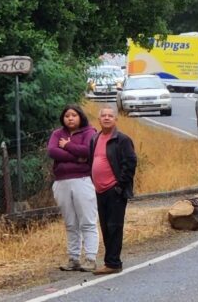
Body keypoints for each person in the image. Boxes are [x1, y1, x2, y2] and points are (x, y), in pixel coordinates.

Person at [47, 105, 98, 272]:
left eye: (74, 115)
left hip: (82, 180)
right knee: (70, 223)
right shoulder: (57, 134)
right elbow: (52, 151)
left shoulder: (89, 132)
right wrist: (77, 157)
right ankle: (73, 258)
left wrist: (67, 146)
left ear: (80, 117)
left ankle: (90, 257)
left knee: (87, 221)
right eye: (67, 115)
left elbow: (88, 151)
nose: (70, 118)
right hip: (62, 181)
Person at [90, 105, 137, 275]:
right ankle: (109, 261)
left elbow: (130, 163)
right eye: (104, 115)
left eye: (110, 115)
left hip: (114, 190)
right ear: (99, 119)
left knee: (114, 226)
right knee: (104, 226)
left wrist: (120, 186)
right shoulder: (95, 139)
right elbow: (91, 161)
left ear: (116, 119)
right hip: (100, 190)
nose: (107, 118)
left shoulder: (122, 140)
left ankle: (113, 263)